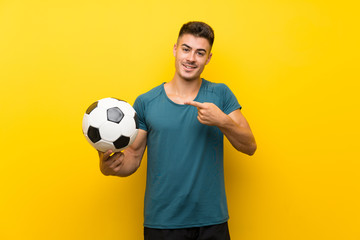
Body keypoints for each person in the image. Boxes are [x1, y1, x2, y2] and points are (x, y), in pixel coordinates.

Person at [98, 21, 257, 240]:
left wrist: (223, 121)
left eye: (200, 53)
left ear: (208, 58)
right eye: (186, 49)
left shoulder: (221, 95)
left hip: (211, 221)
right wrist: (108, 168)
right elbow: (132, 159)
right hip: (163, 223)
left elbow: (250, 146)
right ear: (175, 50)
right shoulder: (146, 102)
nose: (191, 58)